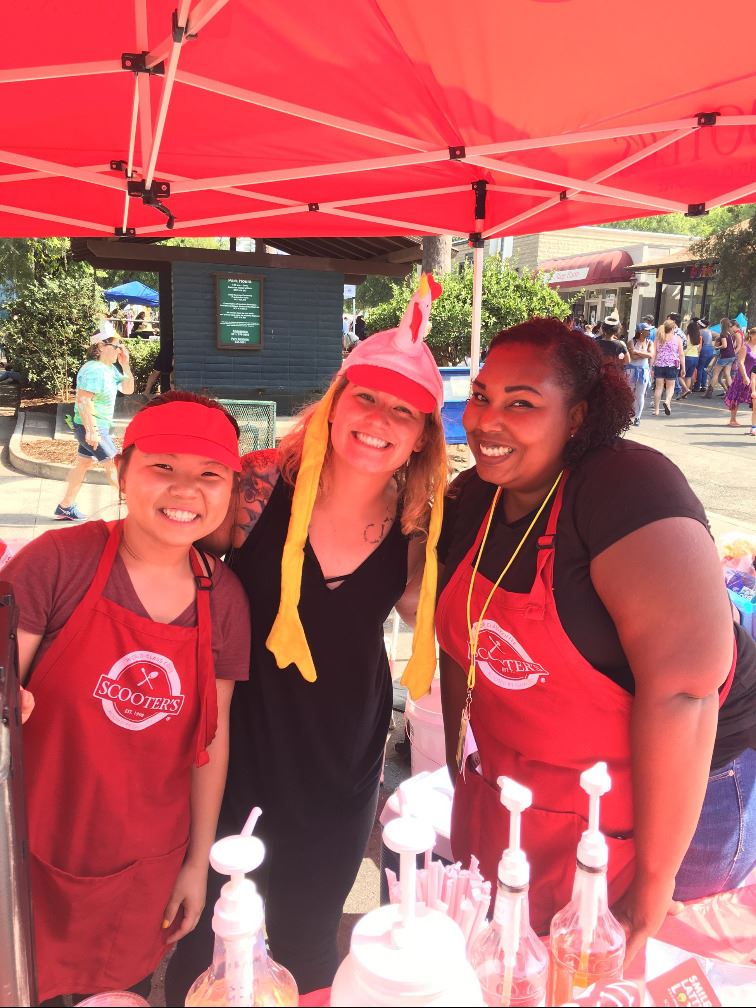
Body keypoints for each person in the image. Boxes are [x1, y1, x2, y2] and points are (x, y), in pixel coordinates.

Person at [436, 318, 756, 967]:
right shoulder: (473, 498)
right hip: (542, 789)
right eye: (482, 395)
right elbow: (461, 646)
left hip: (683, 787)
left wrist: (655, 884)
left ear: (578, 416)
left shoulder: (628, 489)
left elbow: (687, 693)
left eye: (522, 403)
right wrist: (458, 763)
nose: (487, 420)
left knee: (645, 968)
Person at [165, 275, 449, 999]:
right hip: (234, 747)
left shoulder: (419, 520)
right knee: (210, 937)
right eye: (367, 398)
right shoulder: (259, 486)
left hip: (340, 759)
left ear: (422, 436)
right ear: (336, 400)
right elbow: (165, 563)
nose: (379, 420)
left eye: (404, 411)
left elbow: (431, 617)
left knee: (310, 932)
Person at [6, 392, 251, 1005]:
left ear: (230, 492)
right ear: (122, 472)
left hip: (142, 870)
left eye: (208, 475)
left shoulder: (224, 601)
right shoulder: (55, 565)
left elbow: (211, 741)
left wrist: (198, 863)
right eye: (162, 467)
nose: (184, 490)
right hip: (27, 855)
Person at [55, 329, 134, 521]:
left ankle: (65, 506)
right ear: (100, 346)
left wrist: (126, 366)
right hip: (92, 427)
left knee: (83, 464)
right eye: (116, 346)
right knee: (115, 466)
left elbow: (128, 389)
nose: (120, 350)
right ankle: (139, 512)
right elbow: (83, 400)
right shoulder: (93, 369)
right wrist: (92, 431)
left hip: (94, 427)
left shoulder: (109, 369)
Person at [724, 326, 756, 430]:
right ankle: (732, 419)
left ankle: (754, 421)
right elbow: (740, 363)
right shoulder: (745, 347)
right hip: (743, 375)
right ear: (751, 335)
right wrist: (745, 376)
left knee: (754, 399)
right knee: (736, 397)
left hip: (754, 376)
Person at [652, 319, 685, 416]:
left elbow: (654, 353)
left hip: (659, 364)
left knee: (658, 388)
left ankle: (656, 410)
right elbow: (681, 354)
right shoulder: (677, 338)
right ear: (673, 328)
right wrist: (683, 368)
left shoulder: (658, 338)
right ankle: (667, 402)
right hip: (672, 364)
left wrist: (651, 366)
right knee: (670, 387)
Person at [627, 323, 654, 425]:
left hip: (643, 371)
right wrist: (644, 354)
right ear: (641, 331)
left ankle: (638, 416)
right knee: (630, 394)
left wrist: (636, 352)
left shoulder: (650, 342)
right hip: (631, 371)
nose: (649, 332)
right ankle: (630, 414)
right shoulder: (632, 341)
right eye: (647, 330)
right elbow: (632, 357)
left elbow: (651, 354)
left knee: (640, 394)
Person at [705, 318, 737, 398]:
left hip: (724, 356)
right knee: (727, 374)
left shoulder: (723, 334)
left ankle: (709, 392)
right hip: (731, 356)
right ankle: (731, 393)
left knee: (715, 374)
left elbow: (724, 345)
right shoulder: (729, 333)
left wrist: (716, 347)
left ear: (722, 324)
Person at [695, 318, 716, 392]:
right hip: (710, 349)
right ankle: (704, 385)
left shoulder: (700, 332)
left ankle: (697, 386)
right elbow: (718, 335)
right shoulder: (709, 331)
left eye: (698, 324)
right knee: (704, 368)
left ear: (700, 325)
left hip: (704, 349)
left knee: (700, 368)